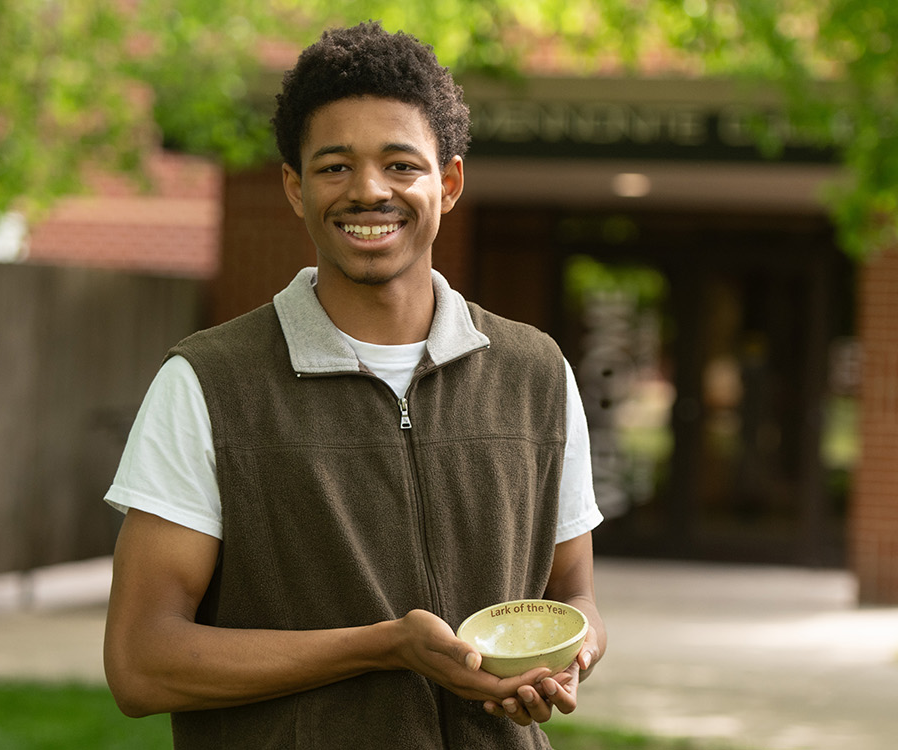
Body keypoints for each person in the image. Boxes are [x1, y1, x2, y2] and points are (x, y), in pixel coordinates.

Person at [101, 21, 606, 749]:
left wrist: (569, 658)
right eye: (335, 167)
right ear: (294, 187)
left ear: (449, 183)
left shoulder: (536, 374)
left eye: (402, 165)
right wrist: (383, 646)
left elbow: (574, 594)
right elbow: (141, 665)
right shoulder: (207, 384)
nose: (370, 191)